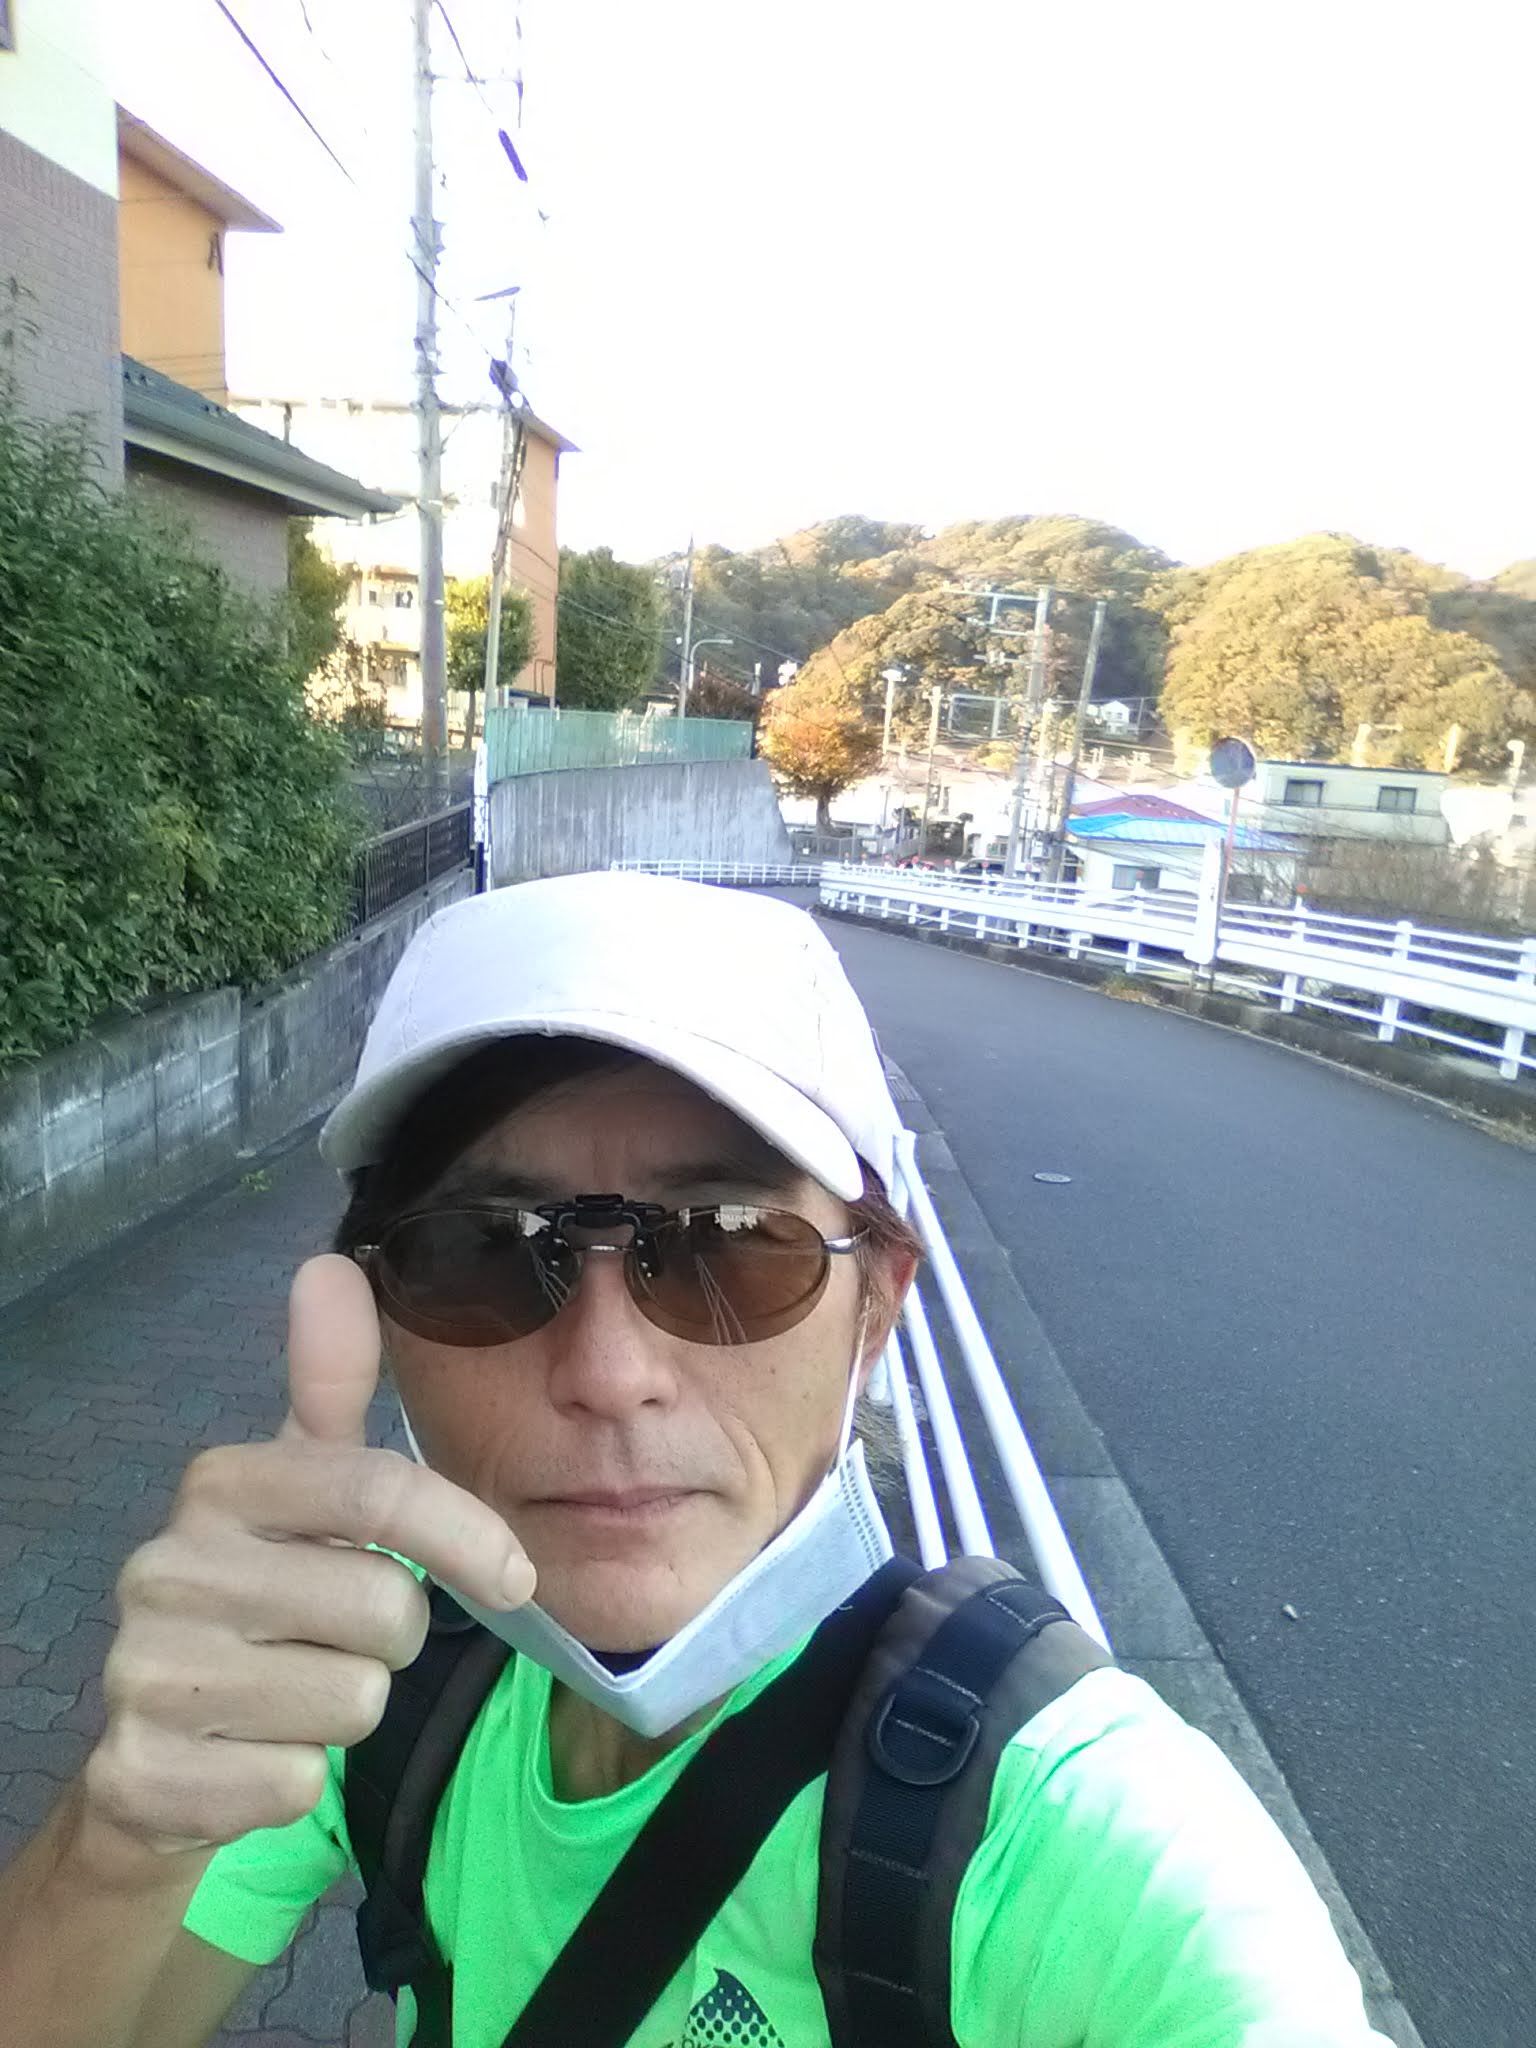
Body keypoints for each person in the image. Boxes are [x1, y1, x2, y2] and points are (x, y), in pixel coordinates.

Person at [0, 872, 1390, 2048]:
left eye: (730, 1242)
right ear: (374, 1316)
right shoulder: (362, 1674)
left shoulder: (1086, 1847)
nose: (609, 1373)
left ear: (877, 1307)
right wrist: (124, 1841)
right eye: (482, 1251)